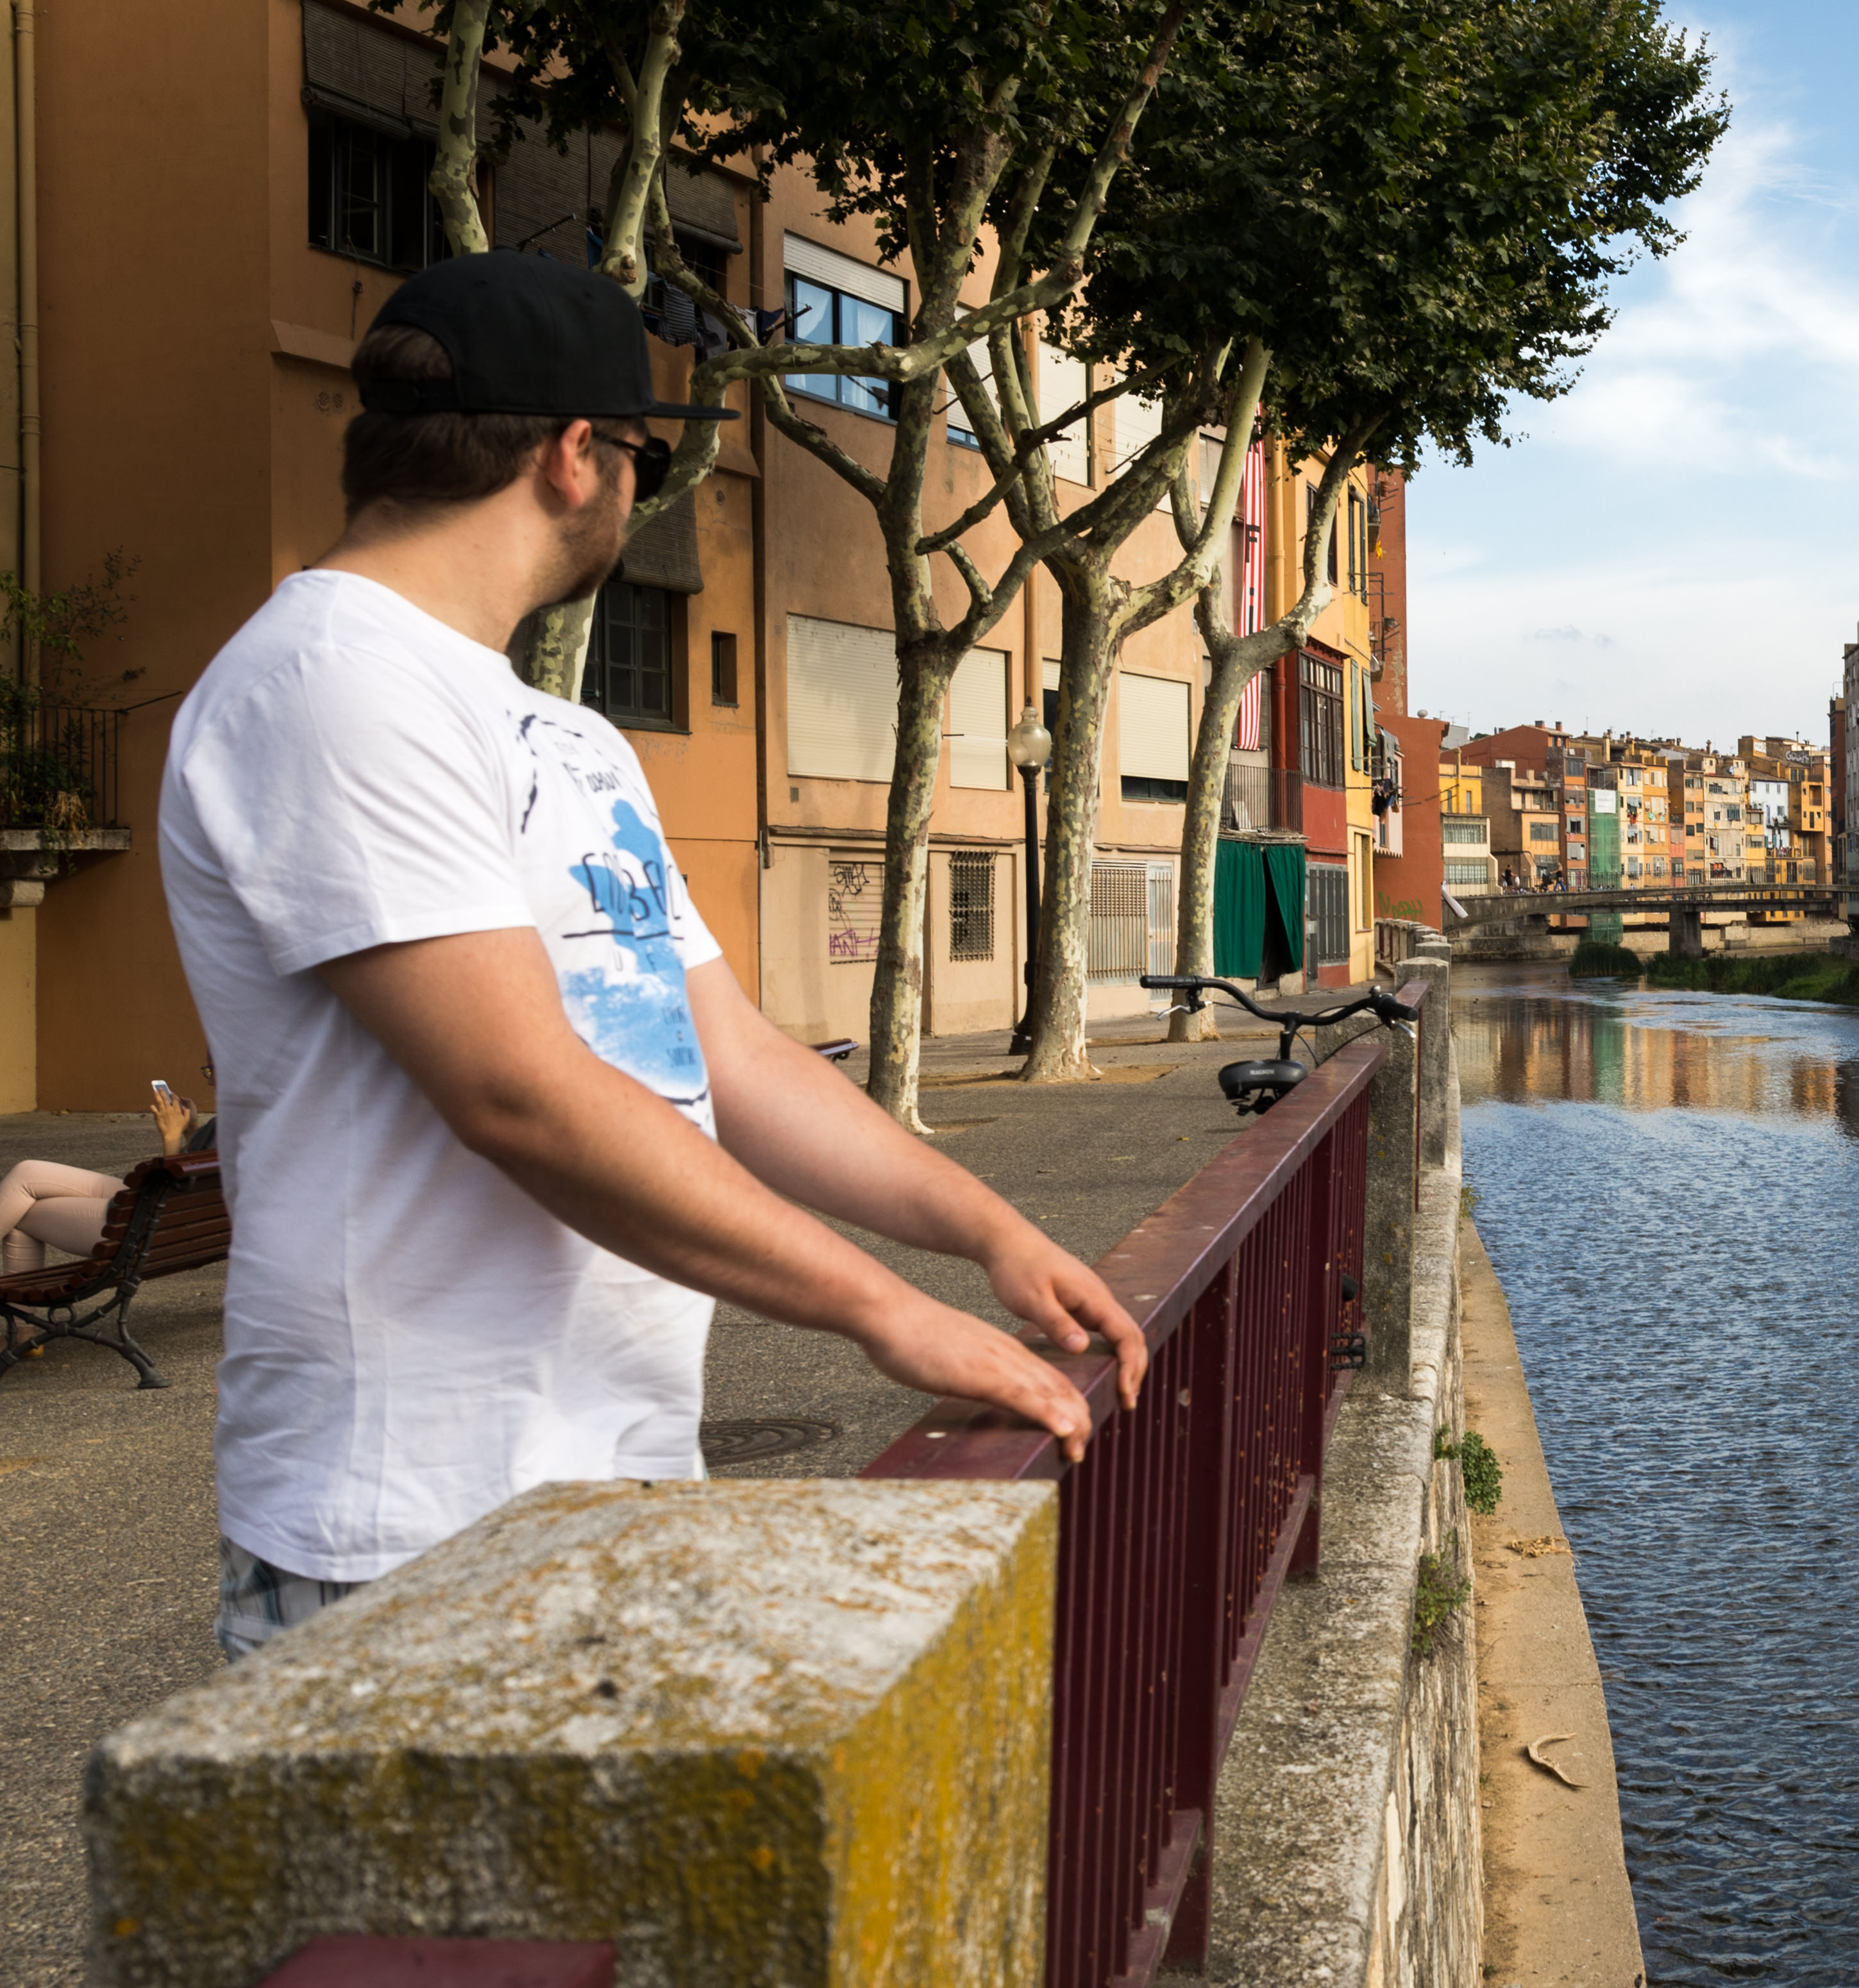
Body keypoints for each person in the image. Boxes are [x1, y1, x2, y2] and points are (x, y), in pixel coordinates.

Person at [161, 253, 1147, 1659]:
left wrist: (986, 1231)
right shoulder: (331, 681)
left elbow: (729, 1054)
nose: (640, 490)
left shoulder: (566, 735)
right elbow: (517, 1092)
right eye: (645, 455)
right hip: (410, 1521)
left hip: (613, 1474)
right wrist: (884, 1313)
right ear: (575, 454)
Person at [0, 1083, 199, 1276]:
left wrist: (171, 1136)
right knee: (27, 1172)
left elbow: (172, 1189)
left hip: (151, 1224)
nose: (208, 1078)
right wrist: (192, 1129)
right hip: (167, 1210)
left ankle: (20, 1298)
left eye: (210, 1070)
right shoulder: (217, 1127)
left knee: (18, 1212)